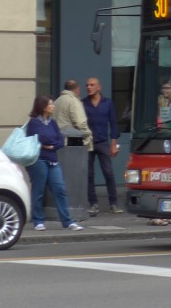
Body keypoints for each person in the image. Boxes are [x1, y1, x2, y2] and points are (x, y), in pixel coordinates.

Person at [25, 95, 83, 232]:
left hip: (52, 160)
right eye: (51, 104)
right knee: (39, 191)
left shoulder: (53, 123)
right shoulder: (34, 123)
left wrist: (50, 145)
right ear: (43, 107)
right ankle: (38, 221)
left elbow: (60, 140)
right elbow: (36, 139)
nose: (53, 106)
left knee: (60, 189)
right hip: (39, 160)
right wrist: (47, 144)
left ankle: (67, 221)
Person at [83, 76, 122, 216]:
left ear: (99, 87)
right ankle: (93, 204)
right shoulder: (83, 104)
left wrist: (114, 144)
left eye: (92, 85)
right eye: (87, 85)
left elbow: (113, 123)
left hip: (103, 142)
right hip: (88, 143)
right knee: (89, 175)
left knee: (109, 173)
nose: (89, 87)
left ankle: (113, 204)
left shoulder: (108, 103)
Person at [53, 78, 90, 145]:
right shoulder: (73, 101)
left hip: (57, 141)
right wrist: (87, 137)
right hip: (71, 142)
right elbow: (80, 123)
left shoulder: (56, 101)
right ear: (77, 89)